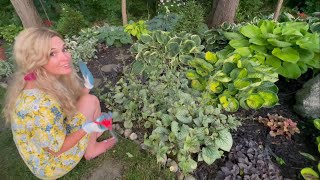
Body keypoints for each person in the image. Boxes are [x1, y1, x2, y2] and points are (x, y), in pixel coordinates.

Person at [4, 27, 117, 179]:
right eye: (52, 54)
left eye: (64, 49)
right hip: (53, 164)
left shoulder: (37, 81)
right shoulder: (41, 105)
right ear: (35, 60)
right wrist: (88, 128)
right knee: (90, 102)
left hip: (42, 151)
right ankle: (91, 149)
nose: (65, 57)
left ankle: (92, 137)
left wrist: (86, 88)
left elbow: (58, 113)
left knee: (90, 100)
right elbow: (56, 149)